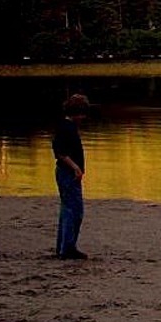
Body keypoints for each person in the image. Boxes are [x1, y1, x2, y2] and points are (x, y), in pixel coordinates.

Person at [53, 93, 92, 260]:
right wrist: (75, 168)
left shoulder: (66, 126)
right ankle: (67, 248)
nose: (83, 118)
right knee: (74, 211)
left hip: (67, 174)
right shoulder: (67, 127)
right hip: (67, 174)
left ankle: (64, 246)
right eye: (82, 114)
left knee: (68, 209)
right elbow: (60, 152)